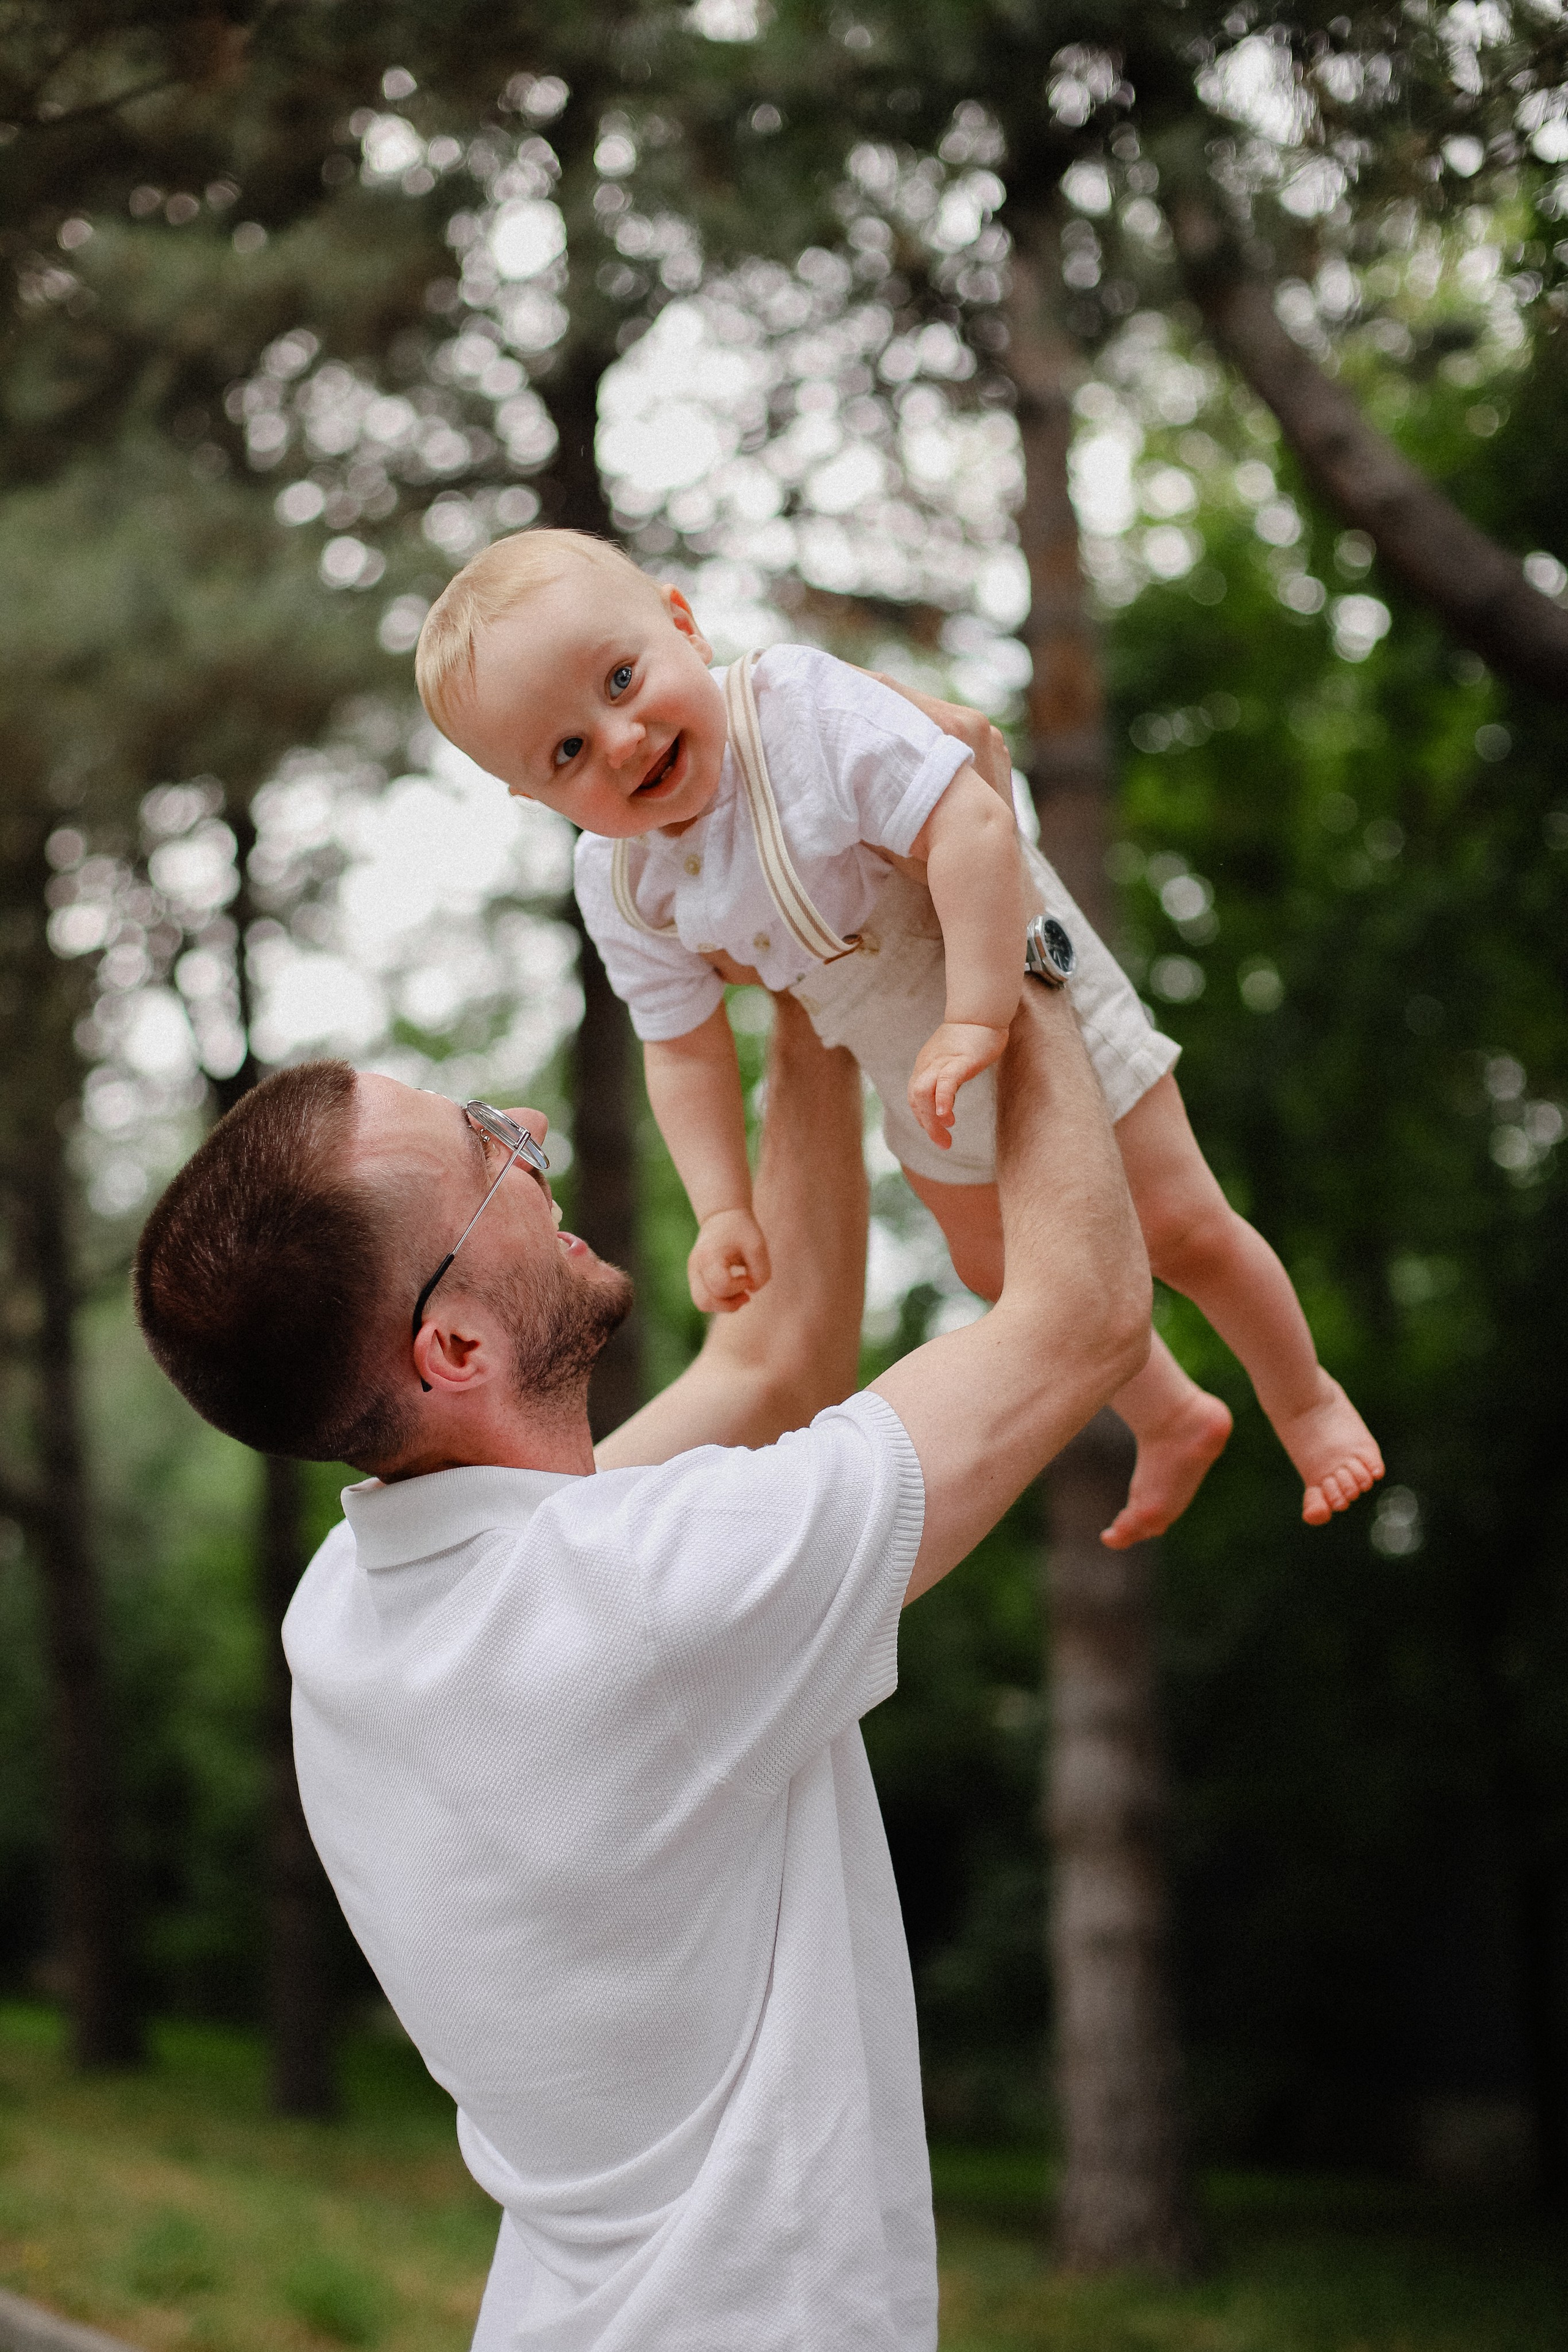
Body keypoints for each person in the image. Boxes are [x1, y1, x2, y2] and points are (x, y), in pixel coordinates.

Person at [132, 776, 1150, 2348]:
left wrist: (805, 970)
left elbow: (783, 1350)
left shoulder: (359, 1606)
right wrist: (1007, 911)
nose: (527, 1139)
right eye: (486, 1152)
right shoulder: (636, 1600)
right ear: (454, 1340)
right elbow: (1079, 1313)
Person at [412, 528, 1383, 1545]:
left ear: (682, 623)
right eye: (567, 751)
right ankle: (1171, 1413)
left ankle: (1307, 1400)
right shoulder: (622, 884)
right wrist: (722, 1208)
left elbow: (970, 822)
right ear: (532, 797)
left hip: (1005, 969)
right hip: (906, 1057)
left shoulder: (797, 709)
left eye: (622, 678)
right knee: (999, 1268)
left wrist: (981, 1014)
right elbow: (683, 1045)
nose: (621, 740)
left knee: (1180, 1221)